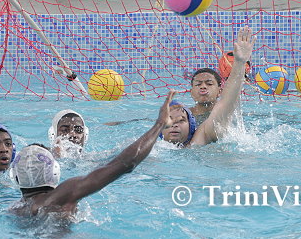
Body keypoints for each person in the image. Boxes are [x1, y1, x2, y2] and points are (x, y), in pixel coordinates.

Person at [9, 90, 176, 217]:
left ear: (15, 177)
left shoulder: (14, 209)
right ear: (55, 170)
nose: (72, 134)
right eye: (65, 130)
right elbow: (126, 163)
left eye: (78, 130)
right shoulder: (63, 194)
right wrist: (159, 124)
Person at [162, 26, 256, 147]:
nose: (175, 124)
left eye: (181, 120)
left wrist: (239, 63)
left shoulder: (200, 137)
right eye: (170, 120)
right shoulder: (151, 146)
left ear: (191, 126)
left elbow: (226, 103)